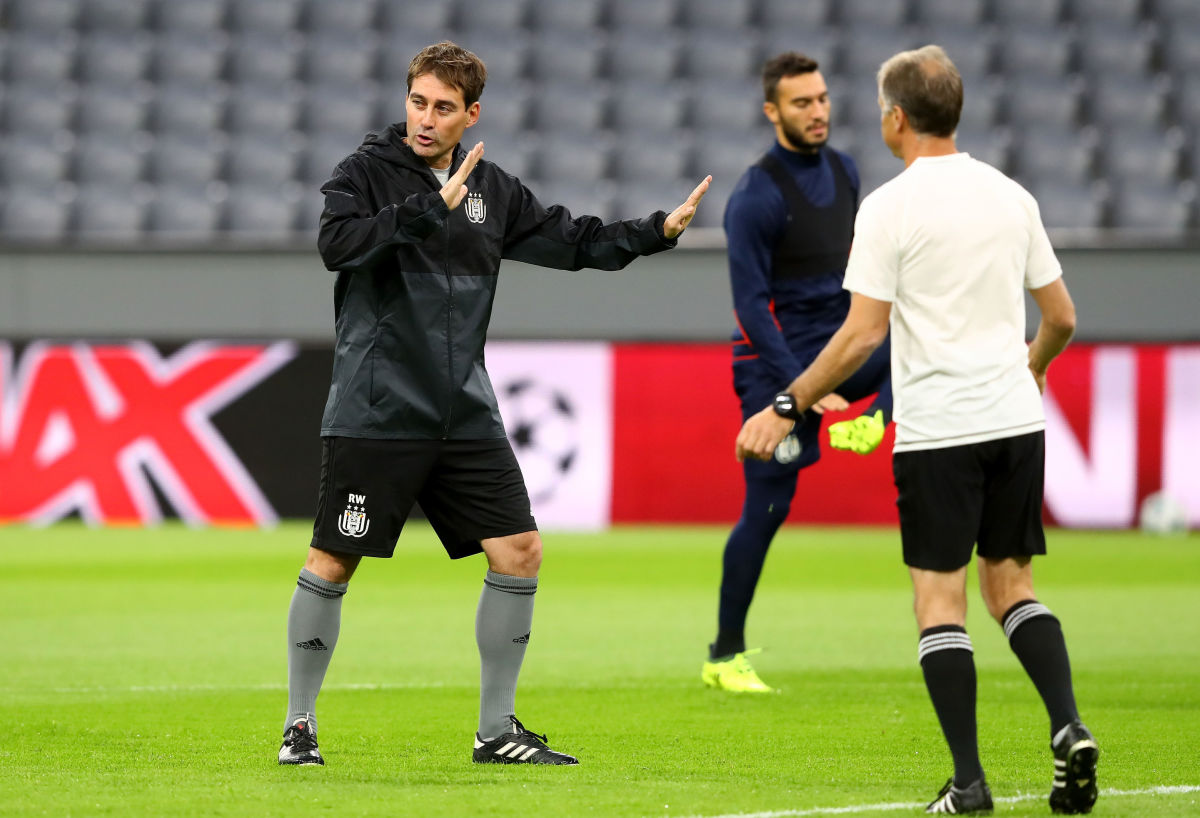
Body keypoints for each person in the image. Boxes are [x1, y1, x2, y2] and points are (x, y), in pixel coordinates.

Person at [278, 41, 711, 767]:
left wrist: (653, 232)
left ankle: (496, 731)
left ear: (471, 114)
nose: (425, 118)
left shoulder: (493, 190)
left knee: (520, 551)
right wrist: (425, 210)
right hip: (377, 408)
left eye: (443, 108)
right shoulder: (361, 175)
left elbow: (573, 241)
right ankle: (299, 726)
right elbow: (337, 246)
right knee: (333, 560)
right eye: (418, 102)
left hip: (462, 412)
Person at [735, 45, 1097, 815]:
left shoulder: (888, 208)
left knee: (940, 605)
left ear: (896, 118)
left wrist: (787, 404)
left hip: (940, 431)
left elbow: (861, 335)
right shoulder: (1011, 195)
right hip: (1015, 420)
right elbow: (1062, 316)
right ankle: (1068, 725)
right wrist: (1032, 366)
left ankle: (969, 783)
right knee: (1015, 590)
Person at [702, 52, 893, 694]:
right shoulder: (755, 196)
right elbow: (751, 309)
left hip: (838, 348)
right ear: (772, 111)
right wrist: (803, 391)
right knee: (768, 507)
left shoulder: (845, 171)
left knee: (922, 344)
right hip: (773, 366)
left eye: (822, 99)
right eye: (801, 102)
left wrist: (847, 379)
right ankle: (724, 655)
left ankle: (876, 420)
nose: (817, 111)